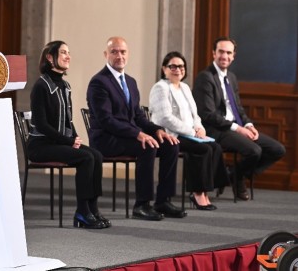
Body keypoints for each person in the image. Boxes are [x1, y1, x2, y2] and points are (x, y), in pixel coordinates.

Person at [86, 36, 186, 221]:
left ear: (128, 54)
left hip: (127, 136)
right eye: (114, 51)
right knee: (147, 146)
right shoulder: (98, 82)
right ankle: (142, 204)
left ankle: (163, 200)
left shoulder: (130, 82)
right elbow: (107, 120)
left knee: (171, 145)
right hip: (106, 139)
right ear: (106, 54)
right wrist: (139, 134)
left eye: (123, 52)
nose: (119, 55)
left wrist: (157, 130)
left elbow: (138, 116)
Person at [27, 40, 109, 229]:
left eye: (68, 52)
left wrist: (76, 138)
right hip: (41, 147)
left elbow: (68, 121)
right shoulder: (41, 86)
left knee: (95, 155)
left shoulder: (66, 86)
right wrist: (68, 140)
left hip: (58, 143)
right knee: (86, 158)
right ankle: (82, 212)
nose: (68, 56)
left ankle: (93, 209)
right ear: (50, 57)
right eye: (63, 52)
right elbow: (41, 123)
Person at [192, 36, 286, 200]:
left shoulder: (232, 78)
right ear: (213, 53)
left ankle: (234, 175)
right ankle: (237, 177)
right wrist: (238, 128)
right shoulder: (205, 77)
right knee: (254, 151)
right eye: (221, 51)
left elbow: (238, 109)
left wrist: (249, 124)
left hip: (236, 127)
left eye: (229, 53)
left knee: (277, 150)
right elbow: (208, 114)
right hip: (217, 129)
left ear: (233, 56)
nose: (224, 56)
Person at [149, 51, 229, 210]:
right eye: (172, 66)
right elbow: (165, 118)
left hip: (189, 133)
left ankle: (205, 190)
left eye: (181, 66)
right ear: (164, 69)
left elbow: (195, 114)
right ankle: (197, 193)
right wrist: (192, 132)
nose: (177, 69)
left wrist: (199, 128)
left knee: (216, 147)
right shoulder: (160, 87)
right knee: (203, 148)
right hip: (170, 134)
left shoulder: (185, 87)